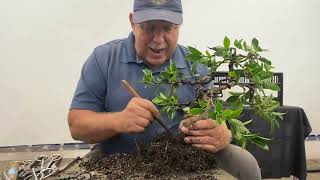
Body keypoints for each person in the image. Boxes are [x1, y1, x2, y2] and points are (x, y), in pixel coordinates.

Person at [68, 0, 261, 179]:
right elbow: (76, 126)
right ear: (132, 22)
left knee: (245, 163)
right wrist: (119, 121)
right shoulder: (103, 58)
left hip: (180, 158)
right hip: (117, 157)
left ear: (179, 26)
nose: (158, 39)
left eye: (168, 28)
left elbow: (214, 118)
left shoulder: (196, 64)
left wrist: (222, 133)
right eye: (149, 28)